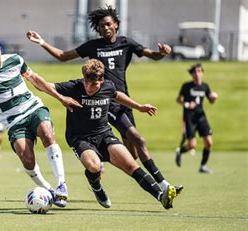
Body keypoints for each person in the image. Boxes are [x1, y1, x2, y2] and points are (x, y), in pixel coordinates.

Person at [26, 5, 182, 194]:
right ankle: (164, 185)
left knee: (132, 153)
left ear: (116, 24)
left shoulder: (126, 43)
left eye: (108, 24)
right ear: (98, 29)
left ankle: (102, 167)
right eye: (101, 26)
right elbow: (63, 56)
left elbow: (153, 55)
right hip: (105, 105)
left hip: (122, 102)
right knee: (138, 139)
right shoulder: (93, 46)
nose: (105, 28)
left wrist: (163, 53)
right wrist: (42, 42)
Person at [0, 33, 82, 207]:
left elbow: (36, 80)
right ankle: (50, 190)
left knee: (47, 133)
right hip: (13, 121)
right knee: (26, 157)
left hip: (33, 108)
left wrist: (61, 98)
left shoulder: (15, 60)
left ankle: (61, 185)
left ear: (0, 50)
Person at [53, 59, 177, 209]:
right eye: (87, 82)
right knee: (94, 166)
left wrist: (139, 106)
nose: (89, 87)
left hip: (104, 134)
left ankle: (160, 196)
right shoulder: (74, 87)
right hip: (79, 138)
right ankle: (96, 187)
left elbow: (117, 95)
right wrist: (60, 97)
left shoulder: (108, 86)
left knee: (131, 164)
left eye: (94, 84)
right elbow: (47, 86)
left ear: (102, 80)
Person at [175, 63, 218, 173]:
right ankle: (180, 151)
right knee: (192, 145)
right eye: (195, 71)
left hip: (201, 117)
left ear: (202, 73)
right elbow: (178, 100)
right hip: (189, 118)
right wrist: (187, 104)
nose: (197, 74)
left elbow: (211, 101)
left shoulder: (205, 86)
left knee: (209, 143)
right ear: (192, 74)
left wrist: (214, 98)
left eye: (199, 71)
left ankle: (202, 166)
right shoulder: (186, 86)